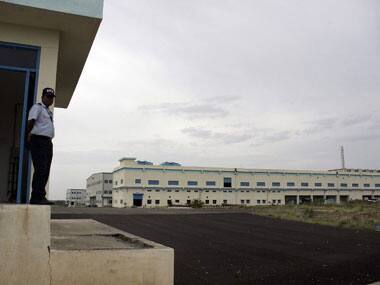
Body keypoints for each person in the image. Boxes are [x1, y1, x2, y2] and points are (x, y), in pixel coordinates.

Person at [26, 87, 56, 205]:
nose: (50, 100)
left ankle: (41, 196)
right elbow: (30, 122)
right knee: (40, 169)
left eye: (51, 98)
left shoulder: (48, 111)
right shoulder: (37, 108)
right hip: (38, 141)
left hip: (47, 142)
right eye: (48, 97)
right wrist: (28, 136)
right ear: (42, 97)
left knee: (46, 170)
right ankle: (36, 198)